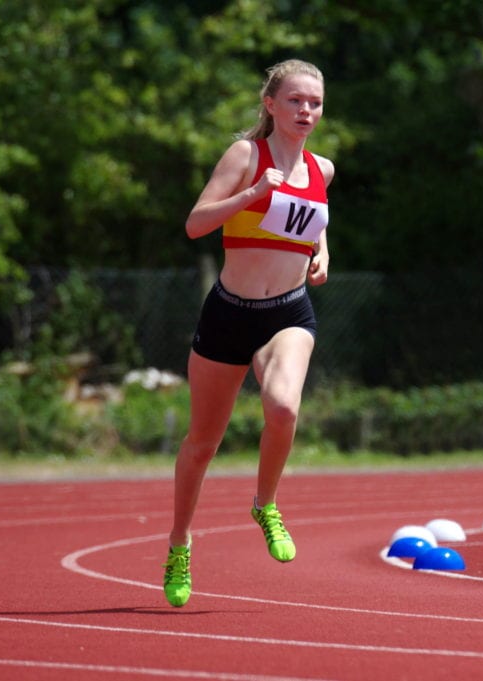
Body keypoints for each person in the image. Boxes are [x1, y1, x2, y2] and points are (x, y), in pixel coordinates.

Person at [162, 59, 334, 607]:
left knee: (283, 408)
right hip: (229, 314)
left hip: (288, 313)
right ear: (270, 104)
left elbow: (313, 223)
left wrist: (322, 252)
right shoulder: (245, 156)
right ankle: (180, 543)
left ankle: (265, 504)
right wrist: (251, 193)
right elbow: (195, 224)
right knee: (202, 445)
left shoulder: (323, 169)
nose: (305, 111)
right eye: (295, 101)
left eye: (314, 103)